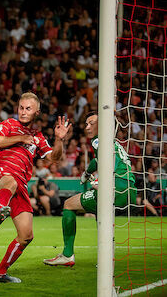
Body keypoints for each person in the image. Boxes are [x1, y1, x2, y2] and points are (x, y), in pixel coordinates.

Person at [0, 92, 70, 283]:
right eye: (21, 108)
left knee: (26, 236)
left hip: (20, 186)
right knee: (11, 180)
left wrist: (59, 139)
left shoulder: (38, 137)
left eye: (28, 109)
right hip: (1, 174)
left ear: (37, 112)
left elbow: (54, 158)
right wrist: (20, 139)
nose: (23, 112)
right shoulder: (9, 124)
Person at [44, 111, 137, 266]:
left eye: (91, 123)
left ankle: (67, 255)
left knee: (68, 204)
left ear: (103, 125)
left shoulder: (98, 140)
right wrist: (87, 173)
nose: (87, 127)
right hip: (129, 189)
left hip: (116, 186)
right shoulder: (113, 142)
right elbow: (98, 160)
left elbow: (111, 163)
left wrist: (102, 181)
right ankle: (107, 257)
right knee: (100, 214)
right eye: (86, 124)